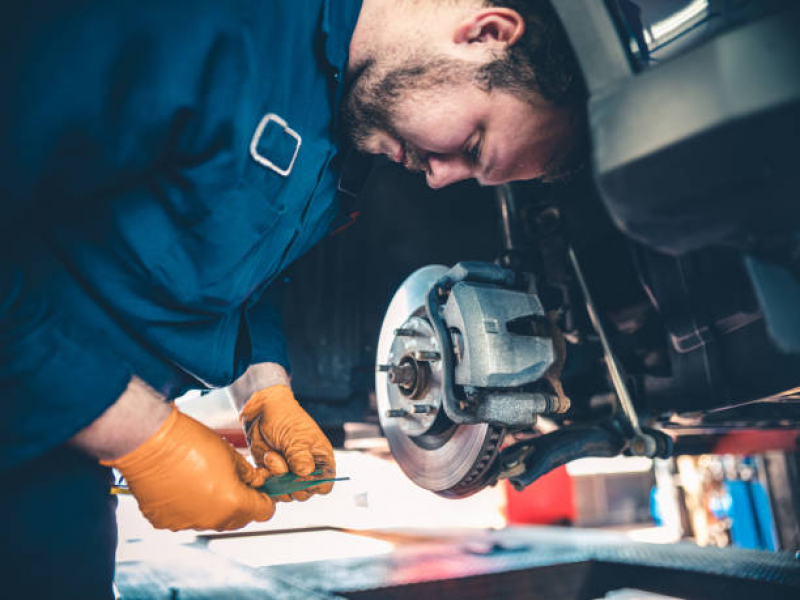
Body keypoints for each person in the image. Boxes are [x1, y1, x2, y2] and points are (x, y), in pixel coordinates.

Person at [0, 0, 585, 597]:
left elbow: (232, 257)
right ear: (486, 33)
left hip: (57, 452)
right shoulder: (202, 21)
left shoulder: (351, 130)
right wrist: (138, 434)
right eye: (473, 144)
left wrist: (265, 389)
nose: (440, 178)